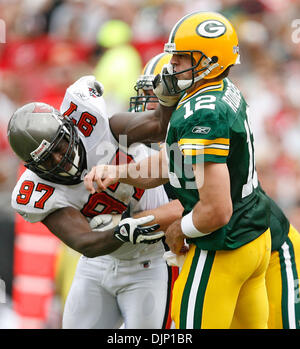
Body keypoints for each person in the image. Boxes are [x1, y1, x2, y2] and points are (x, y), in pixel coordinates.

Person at [84, 11, 273, 329]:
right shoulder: (221, 90)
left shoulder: (201, 113)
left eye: (182, 59)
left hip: (224, 245)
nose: (172, 67)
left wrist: (179, 229)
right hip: (255, 237)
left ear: (210, 61)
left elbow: (216, 210)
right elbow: (176, 163)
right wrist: (120, 173)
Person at [7, 76, 180, 329]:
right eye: (47, 159)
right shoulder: (38, 192)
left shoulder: (98, 127)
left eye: (59, 145)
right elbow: (85, 242)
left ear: (69, 128)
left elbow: (158, 125)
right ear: (34, 168)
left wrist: (166, 97)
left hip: (150, 260)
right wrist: (125, 231)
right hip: (99, 265)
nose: (60, 158)